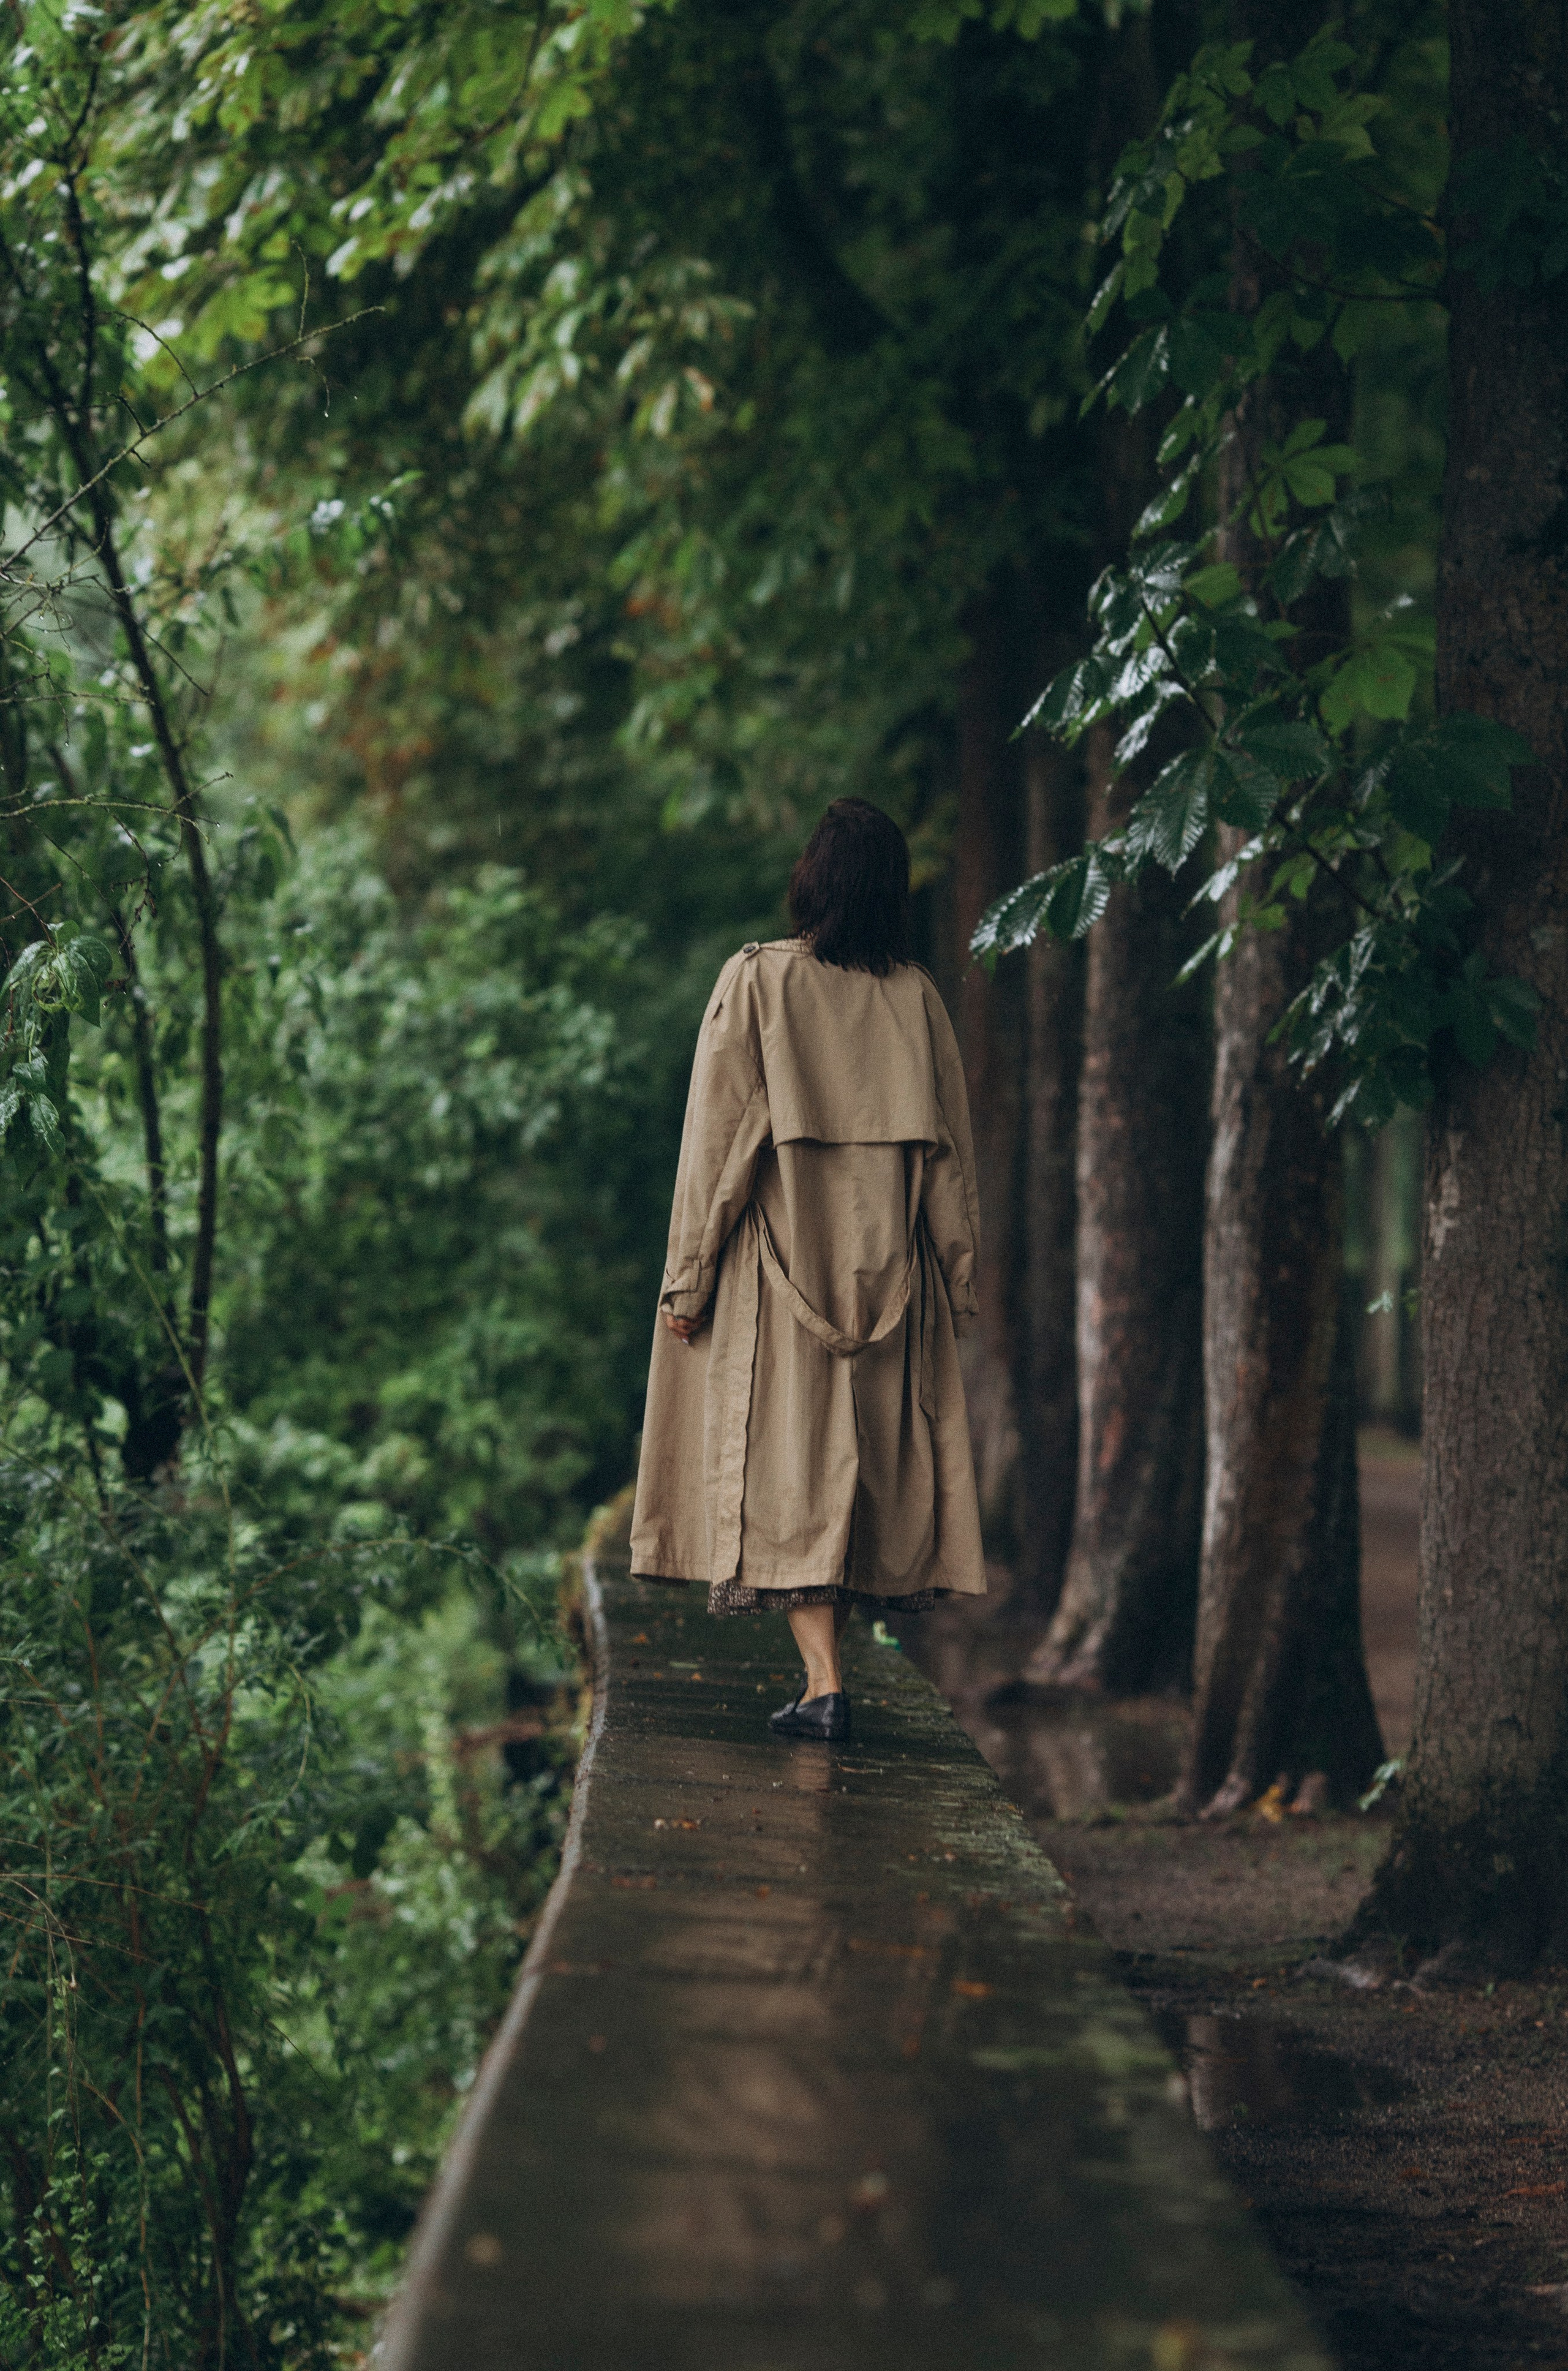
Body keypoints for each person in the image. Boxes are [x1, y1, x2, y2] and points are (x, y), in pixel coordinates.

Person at [630, 799, 986, 1742]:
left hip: (782, 1277)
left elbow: (716, 1148)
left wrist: (689, 1278)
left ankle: (826, 1684)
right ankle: (826, 1681)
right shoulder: (917, 1000)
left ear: (812, 882)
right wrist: (959, 1277)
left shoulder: (756, 983)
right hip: (890, 1283)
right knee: (861, 1474)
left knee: (792, 1477)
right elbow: (951, 1156)